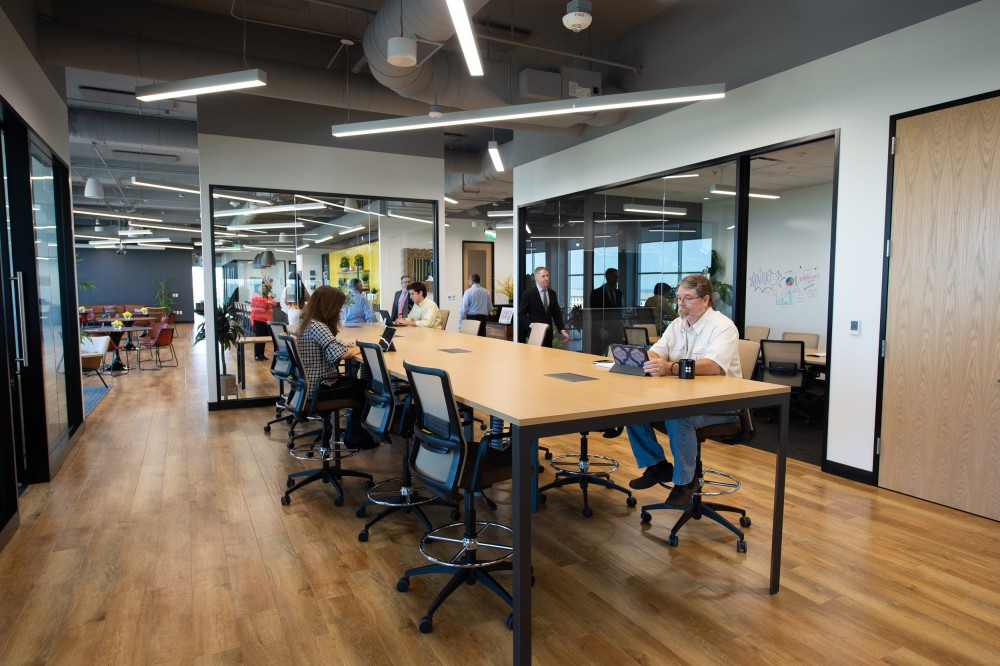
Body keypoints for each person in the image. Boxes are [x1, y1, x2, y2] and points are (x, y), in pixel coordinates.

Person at [624, 274, 742, 508]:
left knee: (680, 418)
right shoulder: (678, 324)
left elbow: (714, 366)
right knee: (630, 407)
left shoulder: (722, 327)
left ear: (705, 300)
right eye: (678, 298)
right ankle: (657, 465)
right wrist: (640, 358)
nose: (680, 304)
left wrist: (670, 367)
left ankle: (685, 482)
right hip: (685, 398)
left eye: (687, 299)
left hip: (722, 406)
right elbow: (658, 351)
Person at [295, 286, 375, 449]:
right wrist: (364, 348)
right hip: (321, 387)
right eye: (339, 306)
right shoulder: (318, 326)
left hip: (308, 386)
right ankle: (357, 438)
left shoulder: (308, 322)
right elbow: (339, 355)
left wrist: (348, 347)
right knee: (367, 389)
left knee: (357, 383)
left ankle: (356, 435)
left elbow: (332, 346)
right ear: (329, 306)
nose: (340, 310)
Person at [518, 266, 569, 347]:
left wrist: (562, 330)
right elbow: (521, 314)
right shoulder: (528, 294)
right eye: (543, 276)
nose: (546, 278)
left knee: (548, 358)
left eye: (547, 275)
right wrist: (532, 325)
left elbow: (557, 314)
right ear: (536, 278)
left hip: (548, 334)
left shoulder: (552, 293)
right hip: (535, 334)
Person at [589, 267, 624, 354]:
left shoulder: (619, 293)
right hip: (600, 331)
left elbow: (621, 311)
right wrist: (600, 329)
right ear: (607, 277)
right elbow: (594, 313)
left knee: (617, 354)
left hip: (616, 330)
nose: (616, 279)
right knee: (597, 355)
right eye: (614, 276)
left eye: (617, 277)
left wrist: (622, 322)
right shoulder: (596, 293)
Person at [250, 278, 277, 361]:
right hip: (258, 320)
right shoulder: (255, 295)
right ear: (257, 287)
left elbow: (274, 303)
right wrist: (269, 304)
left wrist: (269, 303)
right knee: (259, 338)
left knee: (264, 337)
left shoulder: (266, 295)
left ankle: (262, 354)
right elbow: (264, 304)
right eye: (261, 287)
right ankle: (257, 355)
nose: (263, 288)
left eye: (264, 287)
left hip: (267, 320)